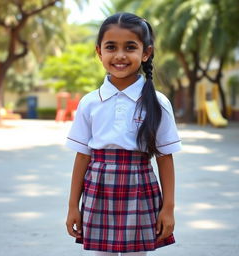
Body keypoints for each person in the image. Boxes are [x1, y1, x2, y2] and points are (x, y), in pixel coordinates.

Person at [65, 12, 182, 256]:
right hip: (98, 189)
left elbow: (165, 158)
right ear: (99, 52)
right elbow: (83, 157)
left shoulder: (158, 103)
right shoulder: (89, 102)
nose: (120, 55)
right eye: (111, 47)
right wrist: (72, 206)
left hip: (140, 188)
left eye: (130, 47)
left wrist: (168, 208)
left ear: (146, 52)